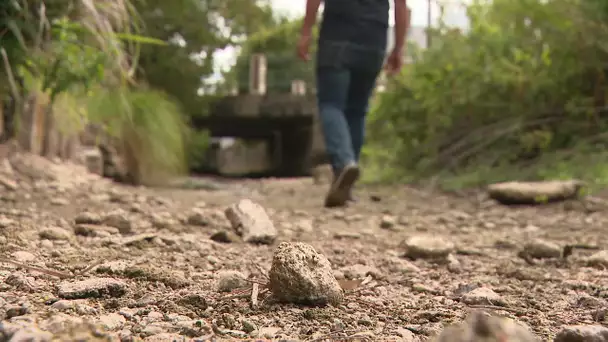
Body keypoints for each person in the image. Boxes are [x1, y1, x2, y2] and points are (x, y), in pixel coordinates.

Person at [297, 0, 409, 207]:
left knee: (331, 104)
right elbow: (401, 5)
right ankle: (345, 185)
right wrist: (399, 48)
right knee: (357, 111)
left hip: (337, 35)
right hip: (374, 38)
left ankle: (344, 163)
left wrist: (306, 32)